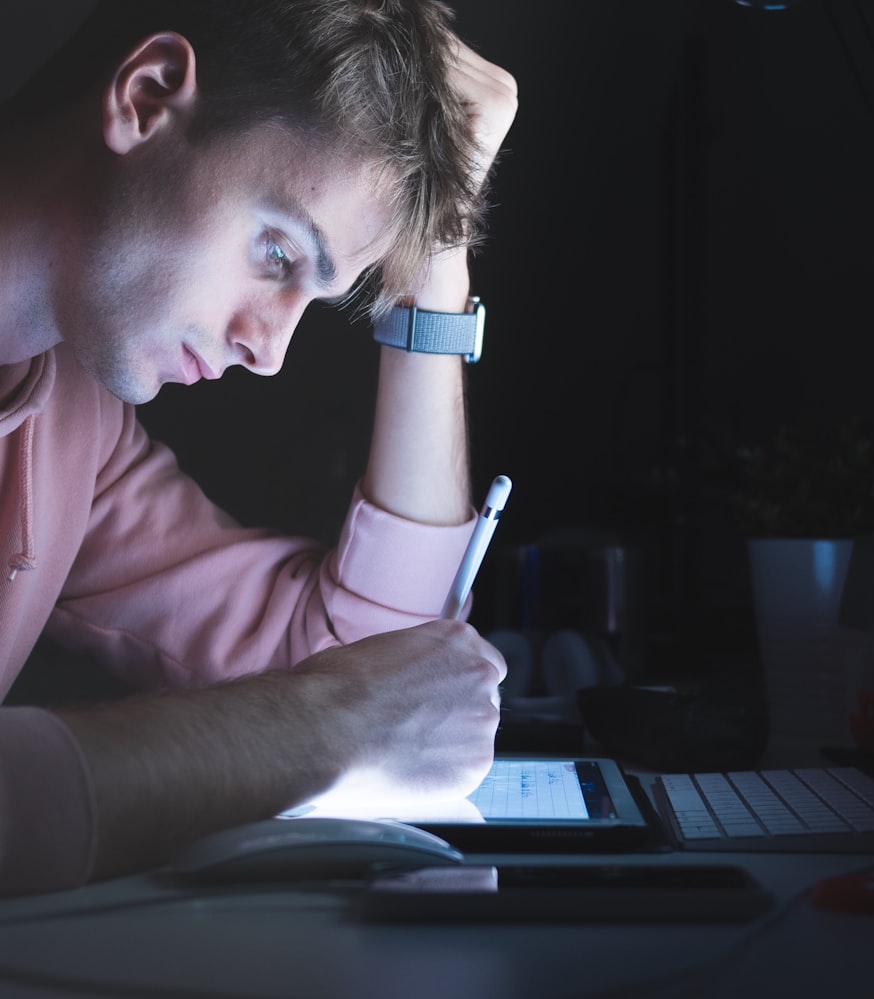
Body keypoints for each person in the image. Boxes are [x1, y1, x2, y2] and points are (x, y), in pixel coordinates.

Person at [0, 0, 517, 896]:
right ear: (149, 95)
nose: (269, 352)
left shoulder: (73, 431)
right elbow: (350, 700)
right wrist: (326, 723)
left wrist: (437, 242)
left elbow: (376, 664)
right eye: (276, 252)